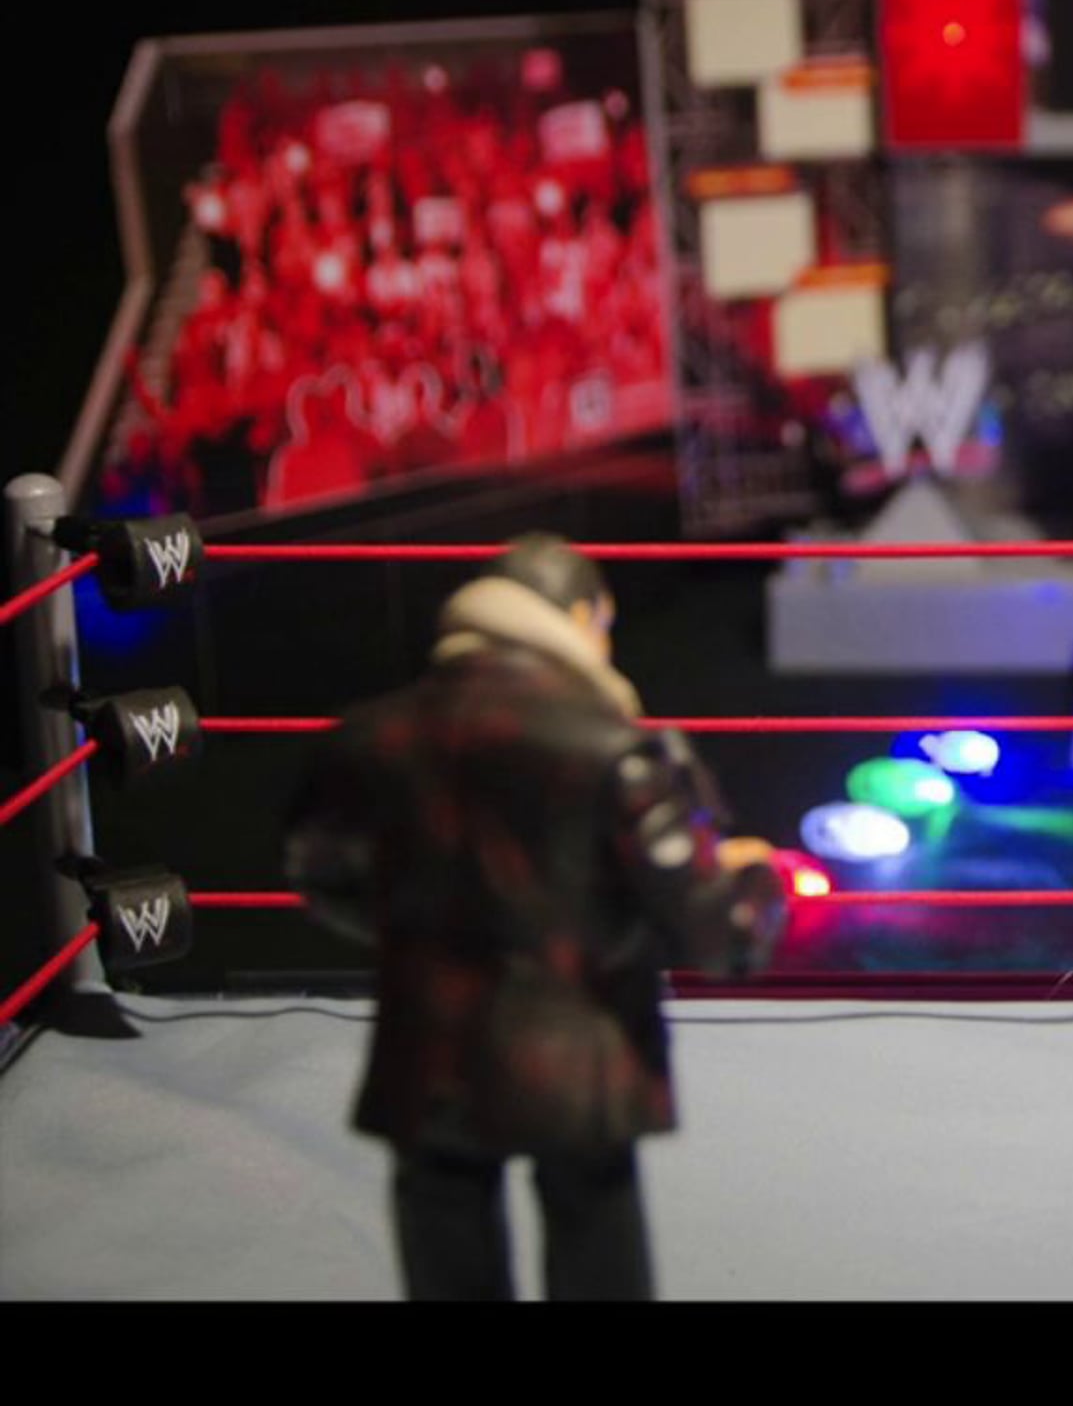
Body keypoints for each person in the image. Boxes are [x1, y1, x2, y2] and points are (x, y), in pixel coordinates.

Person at [283, 534, 788, 1299]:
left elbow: (320, 876)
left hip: (431, 1043)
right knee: (594, 1231)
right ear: (581, 619)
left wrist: (418, 938)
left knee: (444, 1233)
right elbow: (717, 934)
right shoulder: (618, 749)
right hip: (580, 1048)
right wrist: (756, 879)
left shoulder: (371, 736)